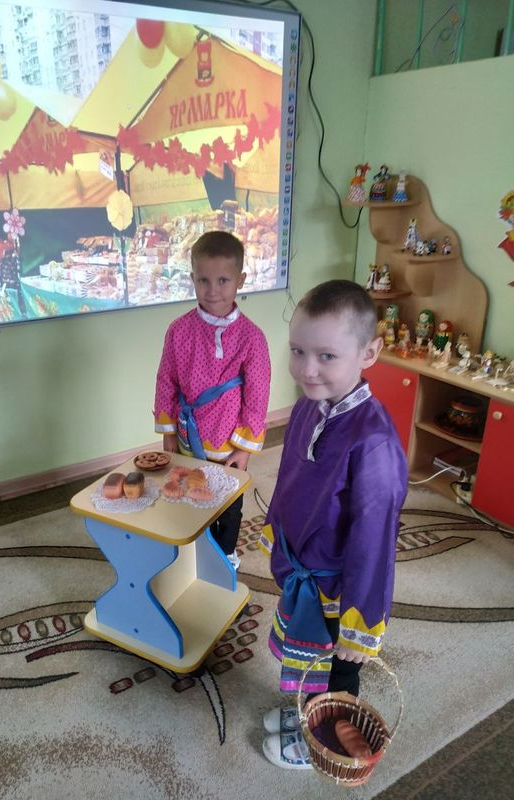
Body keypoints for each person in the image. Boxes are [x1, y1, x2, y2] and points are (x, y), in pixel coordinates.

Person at [259, 279, 408, 769]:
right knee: (306, 657)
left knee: (336, 669)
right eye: (298, 351)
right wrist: (276, 533)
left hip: (341, 589)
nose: (307, 369)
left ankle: (325, 741)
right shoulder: (308, 404)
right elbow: (289, 476)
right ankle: (307, 711)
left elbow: (375, 541)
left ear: (369, 353)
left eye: (326, 356)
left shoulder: (375, 443)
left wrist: (360, 621)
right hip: (304, 568)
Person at [154, 230, 271, 568]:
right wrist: (169, 433)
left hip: (229, 440)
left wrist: (244, 449)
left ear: (240, 281)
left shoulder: (252, 337)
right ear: (192, 279)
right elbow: (166, 380)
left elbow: (258, 394)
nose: (212, 290)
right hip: (188, 435)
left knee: (229, 503)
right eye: (203, 280)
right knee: (191, 495)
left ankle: (226, 557)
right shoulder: (178, 330)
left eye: (223, 280)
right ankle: (194, 555)